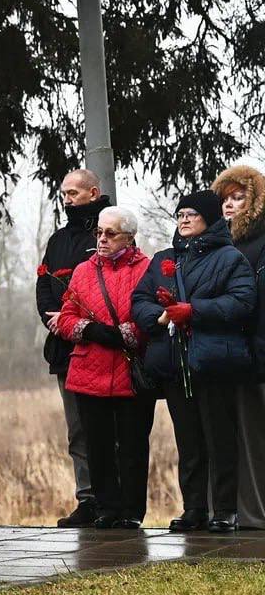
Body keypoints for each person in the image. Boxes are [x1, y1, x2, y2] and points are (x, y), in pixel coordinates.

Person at [132, 190, 255, 533]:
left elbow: (243, 302)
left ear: (210, 219)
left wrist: (195, 311)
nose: (183, 219)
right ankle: (194, 509)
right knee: (188, 442)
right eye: (180, 214)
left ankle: (225, 510)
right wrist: (159, 316)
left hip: (213, 363)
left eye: (191, 214)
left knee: (219, 439)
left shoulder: (230, 259)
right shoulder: (163, 260)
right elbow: (139, 300)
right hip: (175, 364)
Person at [52, 206, 153, 528]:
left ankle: (132, 511)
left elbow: (152, 315)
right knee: (98, 444)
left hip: (130, 370)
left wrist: (125, 334)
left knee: (133, 444)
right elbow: (65, 317)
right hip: (90, 369)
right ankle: (106, 507)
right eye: (99, 232)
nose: (102, 239)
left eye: (110, 233)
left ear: (129, 237)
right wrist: (89, 330)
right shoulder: (83, 271)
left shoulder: (147, 269)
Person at [37, 169, 111, 527]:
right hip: (65, 349)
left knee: (109, 428)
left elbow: (111, 287)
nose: (67, 199)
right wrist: (56, 321)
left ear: (93, 192)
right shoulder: (58, 240)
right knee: (78, 429)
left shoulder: (110, 231)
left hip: (105, 349)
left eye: (74, 193)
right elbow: (44, 286)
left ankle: (115, 500)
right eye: (64, 193)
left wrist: (83, 324)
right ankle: (88, 499)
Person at [214, 165, 265, 529]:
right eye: (225, 199)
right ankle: (239, 514)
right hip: (224, 353)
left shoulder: (259, 241)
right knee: (234, 439)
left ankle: (254, 516)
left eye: (238, 197)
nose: (230, 205)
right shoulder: (218, 243)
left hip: (256, 348)